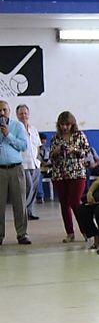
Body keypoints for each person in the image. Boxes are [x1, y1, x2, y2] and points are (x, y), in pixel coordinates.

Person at [50, 111, 90, 243]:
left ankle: (86, 231)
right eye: (62, 125)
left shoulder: (79, 136)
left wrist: (75, 150)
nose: (64, 127)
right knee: (64, 204)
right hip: (60, 174)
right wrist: (55, 152)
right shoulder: (56, 138)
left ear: (72, 124)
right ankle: (70, 233)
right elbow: (50, 155)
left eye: (67, 124)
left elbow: (87, 152)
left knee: (75, 202)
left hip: (77, 173)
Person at [0, 100, 30, 245]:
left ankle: (22, 234)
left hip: (16, 168)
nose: (1, 113)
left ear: (9, 111)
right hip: (0, 170)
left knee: (20, 203)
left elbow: (23, 145)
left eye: (4, 110)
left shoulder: (17, 126)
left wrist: (8, 135)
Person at [15, 104, 41, 221]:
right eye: (21, 113)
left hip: (35, 164)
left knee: (34, 189)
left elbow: (38, 146)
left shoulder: (33, 129)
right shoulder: (15, 129)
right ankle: (22, 212)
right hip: (23, 164)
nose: (23, 116)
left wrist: (38, 159)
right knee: (28, 188)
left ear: (28, 114)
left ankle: (29, 212)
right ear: (17, 115)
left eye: (25, 113)